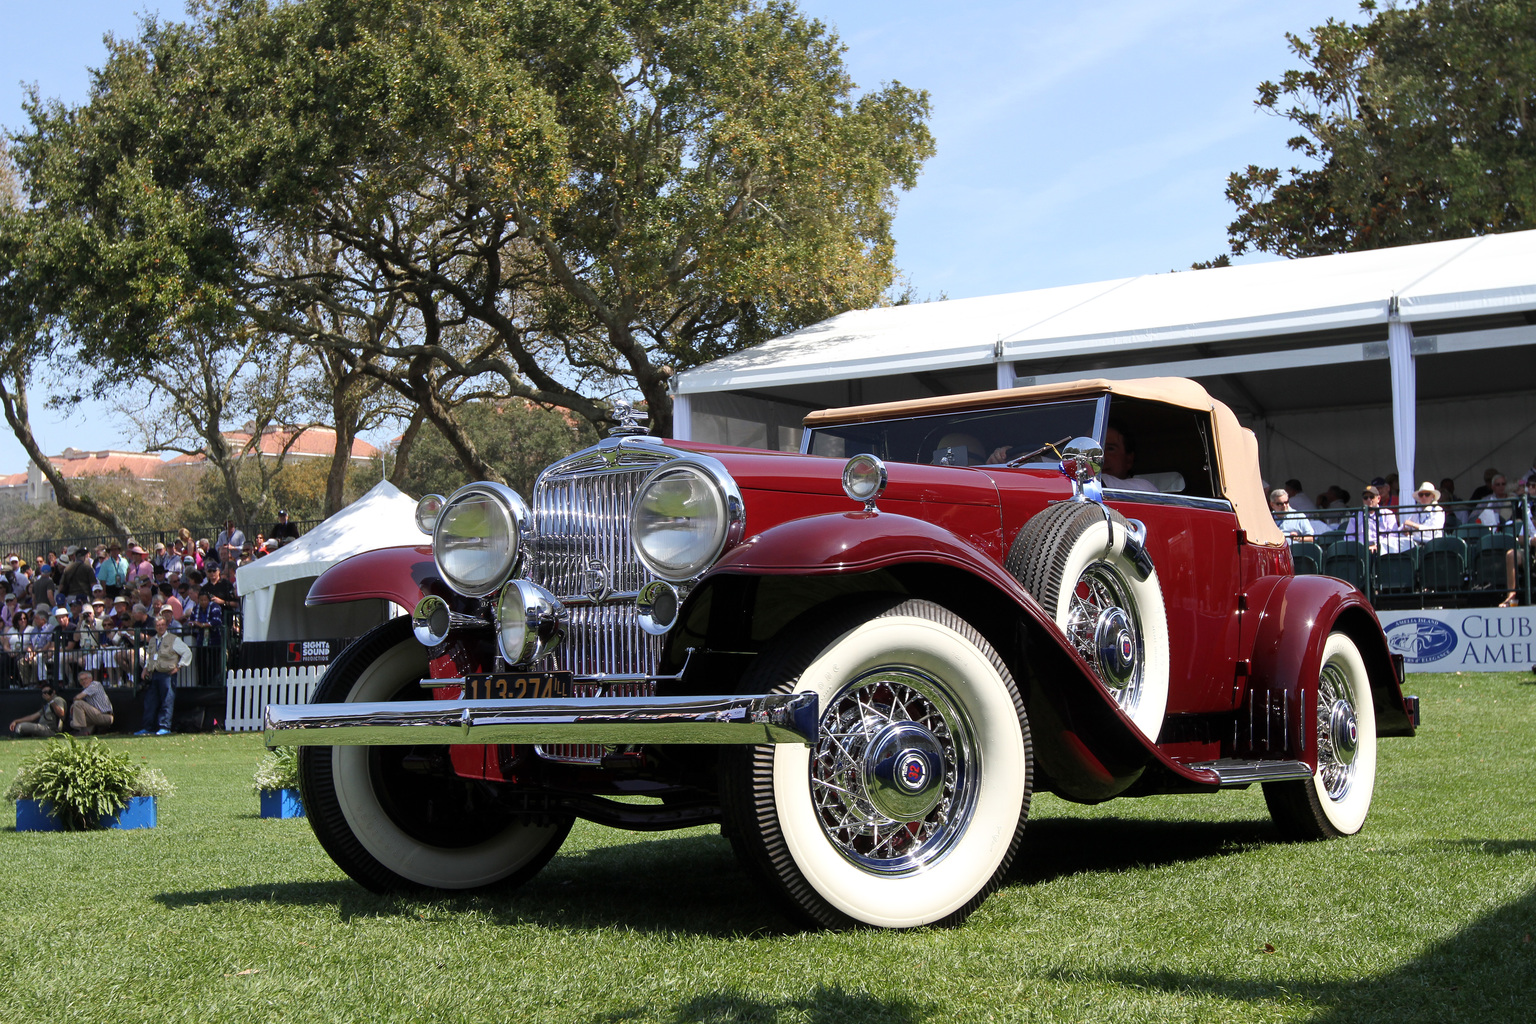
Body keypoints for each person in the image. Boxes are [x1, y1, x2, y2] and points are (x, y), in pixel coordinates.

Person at [136, 612, 191, 736]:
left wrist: (179, 666)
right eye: (158, 625)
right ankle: (148, 727)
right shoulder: (153, 640)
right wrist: (145, 668)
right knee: (151, 702)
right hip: (154, 673)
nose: (160, 627)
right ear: (155, 627)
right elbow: (149, 656)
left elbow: (187, 652)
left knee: (167, 700)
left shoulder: (173, 639)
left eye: (162, 625)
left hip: (167, 674)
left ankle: (165, 726)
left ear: (166, 626)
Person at [68, 670, 114, 736]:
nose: (84, 681)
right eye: (81, 680)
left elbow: (77, 698)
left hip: (105, 715)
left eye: (85, 679)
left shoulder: (95, 684)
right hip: (95, 715)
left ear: (91, 679)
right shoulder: (86, 690)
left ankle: (82, 731)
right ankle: (86, 733)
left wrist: (73, 705)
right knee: (72, 723)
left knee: (78, 703)